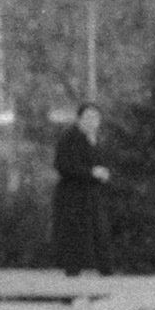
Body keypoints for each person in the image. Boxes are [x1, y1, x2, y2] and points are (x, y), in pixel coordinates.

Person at [51, 104, 112, 276]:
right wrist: (91, 172)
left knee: (100, 233)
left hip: (92, 195)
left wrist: (104, 173)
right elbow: (62, 165)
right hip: (72, 196)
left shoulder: (97, 139)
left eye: (95, 118)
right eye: (87, 118)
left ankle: (106, 274)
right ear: (79, 119)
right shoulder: (69, 138)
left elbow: (102, 162)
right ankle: (72, 278)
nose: (92, 122)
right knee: (73, 237)